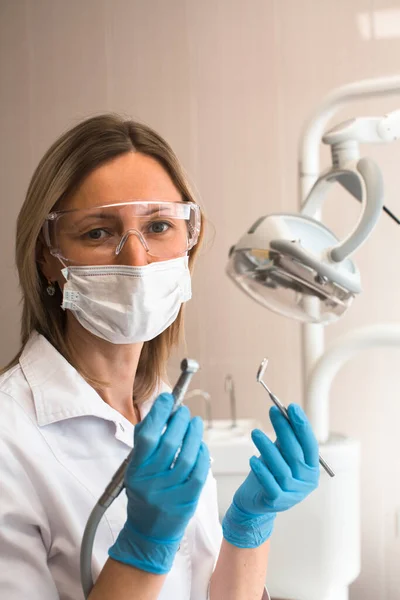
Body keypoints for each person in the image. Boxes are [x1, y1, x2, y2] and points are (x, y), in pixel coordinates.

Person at [0, 114, 320, 600]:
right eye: (97, 233)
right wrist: (143, 546)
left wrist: (249, 527)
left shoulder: (160, 407)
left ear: (188, 242)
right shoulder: (10, 438)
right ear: (48, 257)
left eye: (158, 226)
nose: (137, 258)